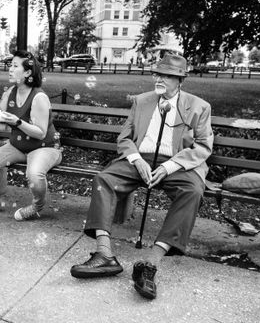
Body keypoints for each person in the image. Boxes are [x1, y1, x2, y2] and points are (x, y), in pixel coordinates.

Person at [69, 54, 213, 300]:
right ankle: (104, 254)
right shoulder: (142, 101)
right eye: (157, 74)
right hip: (139, 159)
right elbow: (125, 138)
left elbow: (202, 146)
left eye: (166, 75)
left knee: (193, 191)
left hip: (177, 164)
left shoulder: (199, 106)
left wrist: (169, 167)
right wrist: (136, 159)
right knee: (104, 179)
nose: (159, 79)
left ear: (180, 80)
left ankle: (149, 264)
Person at [0, 51, 63, 221]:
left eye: (15, 66)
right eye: (10, 65)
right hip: (19, 146)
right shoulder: (12, 91)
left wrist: (18, 122)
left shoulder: (39, 97)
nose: (10, 69)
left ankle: (37, 206)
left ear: (27, 73)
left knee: (34, 173)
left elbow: (41, 133)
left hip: (44, 148)